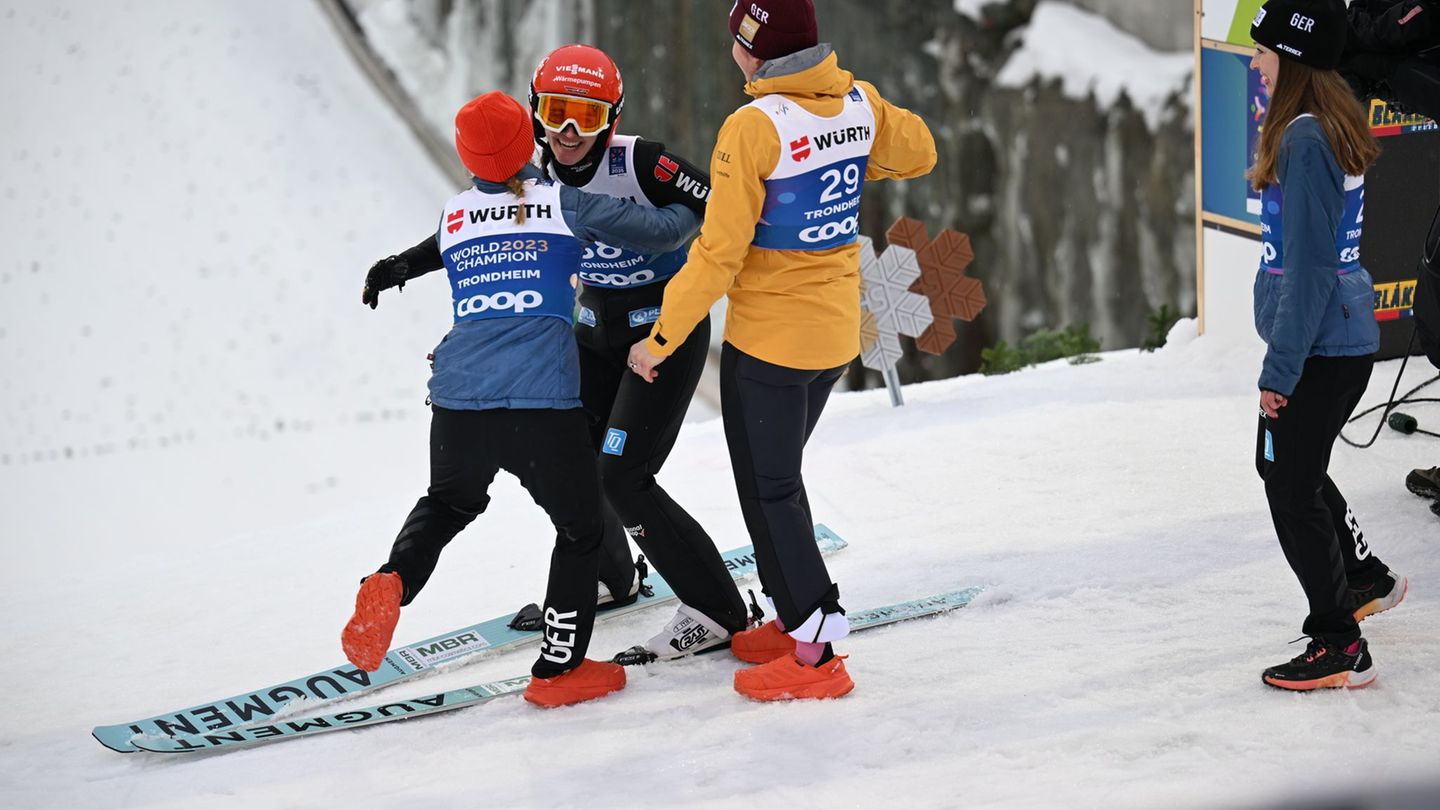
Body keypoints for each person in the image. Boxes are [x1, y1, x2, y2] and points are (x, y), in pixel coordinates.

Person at [369, 44, 753, 661]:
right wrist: (405, 266)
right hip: (593, 328)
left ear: (613, 118)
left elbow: (711, 202)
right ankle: (610, 577)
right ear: (535, 114)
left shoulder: (642, 162)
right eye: (555, 113)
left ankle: (718, 610)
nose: (569, 133)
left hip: (661, 332)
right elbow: (472, 226)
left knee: (623, 474)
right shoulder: (530, 174)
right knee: (575, 455)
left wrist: (676, 235)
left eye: (587, 116)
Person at [627, 0, 937, 701]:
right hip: (832, 340)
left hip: (768, 345)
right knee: (773, 486)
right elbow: (920, 151)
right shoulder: (857, 102)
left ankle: (818, 647)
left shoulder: (753, 126)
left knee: (772, 493)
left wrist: (661, 338)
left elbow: (719, 251)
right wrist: (852, 133)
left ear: (751, 51)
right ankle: (789, 615)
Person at [1247, 0, 1408, 692]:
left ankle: (1338, 641)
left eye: (1263, 50)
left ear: (1293, 60)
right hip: (1332, 338)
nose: (1254, 62)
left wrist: (1279, 370)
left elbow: (1310, 271)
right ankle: (1365, 576)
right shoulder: (1317, 126)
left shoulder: (1305, 140)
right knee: (1289, 468)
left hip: (1321, 344)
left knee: (1288, 482)